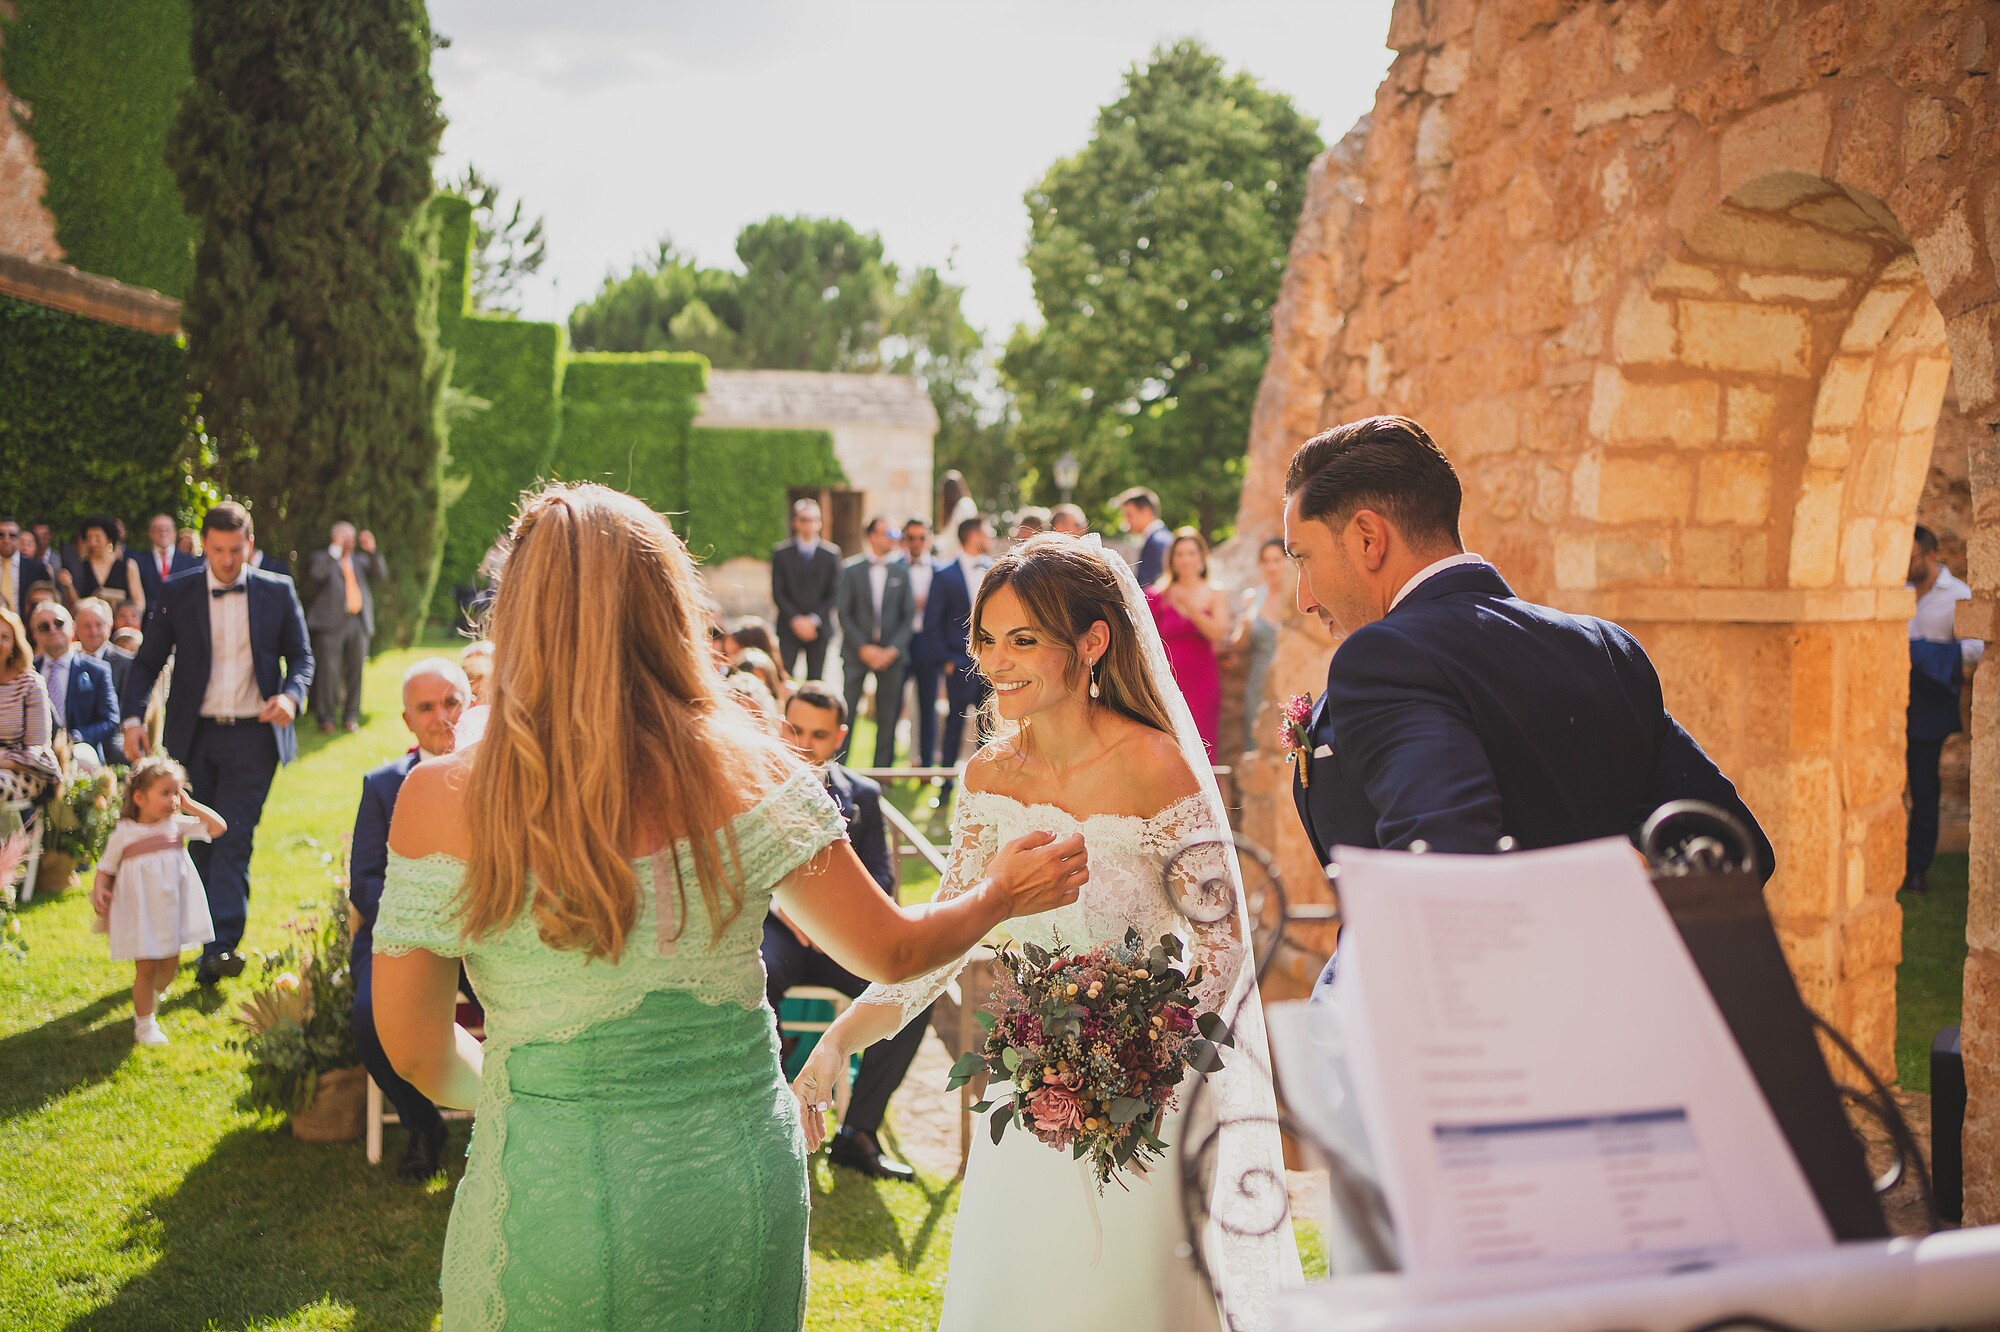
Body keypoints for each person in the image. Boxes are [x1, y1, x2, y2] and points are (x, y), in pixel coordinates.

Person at [366, 482, 1088, 1329]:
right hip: (733, 1187)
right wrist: (997, 893)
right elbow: (889, 951)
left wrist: (520, 1092)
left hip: (550, 1190)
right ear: (669, 604)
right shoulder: (748, 768)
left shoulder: (438, 797)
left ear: (517, 611)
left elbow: (414, 1048)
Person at [797, 533, 1300, 1332]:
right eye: (987, 640)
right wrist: (837, 1042)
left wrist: (1135, 1043)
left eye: (1023, 640)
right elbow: (942, 941)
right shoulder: (989, 777)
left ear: (1092, 642)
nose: (998, 661)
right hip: (1025, 1097)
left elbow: (1222, 943)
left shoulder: (1155, 766)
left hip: (1145, 1101)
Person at [1281, 415, 1775, 934]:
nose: (1304, 599)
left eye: (1303, 559)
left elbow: (1451, 882)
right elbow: (1733, 851)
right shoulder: (1604, 646)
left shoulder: (1383, 657)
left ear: (1367, 538)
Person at [121, 501, 314, 988]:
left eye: (236, 550)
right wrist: (130, 720)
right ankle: (202, 934)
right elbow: (146, 662)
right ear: (204, 545)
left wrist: (291, 697)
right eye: (218, 550)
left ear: (249, 545)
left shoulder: (277, 590)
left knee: (232, 836)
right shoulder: (178, 591)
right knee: (197, 842)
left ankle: (221, 945)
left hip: (254, 734)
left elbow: (303, 657)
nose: (227, 560)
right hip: (193, 736)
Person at [762, 683, 931, 1179]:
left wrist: (833, 918)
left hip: (839, 942)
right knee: (753, 977)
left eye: (818, 734)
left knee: (913, 992)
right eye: (795, 730)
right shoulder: (757, 785)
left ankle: (858, 1133)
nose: (804, 743)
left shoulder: (864, 796)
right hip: (779, 931)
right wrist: (791, 909)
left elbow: (881, 880)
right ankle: (768, 1121)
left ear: (839, 737)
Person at [349, 658, 475, 1180]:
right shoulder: (383, 785)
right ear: (407, 720)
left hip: (488, 937)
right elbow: (365, 879)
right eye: (426, 707)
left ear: (469, 707)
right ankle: (422, 1123)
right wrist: (424, 923)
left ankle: (510, 1114)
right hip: (403, 937)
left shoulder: (501, 775)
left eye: (451, 702)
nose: (442, 716)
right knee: (367, 1014)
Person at [89, 756, 224, 1046]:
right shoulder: (125, 832)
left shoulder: (176, 825)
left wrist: (189, 806)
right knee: (146, 967)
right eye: (165, 793)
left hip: (171, 911)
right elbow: (105, 868)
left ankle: (150, 996)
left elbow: (218, 828)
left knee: (170, 968)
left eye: (176, 793)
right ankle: (145, 1024)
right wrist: (100, 890)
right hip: (140, 912)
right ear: (139, 798)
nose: (173, 800)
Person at [1903, 524, 1983, 895]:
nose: (1905, 565)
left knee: (1923, 787)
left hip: (1928, 704)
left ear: (1931, 555)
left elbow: (1976, 648)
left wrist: (1927, 654)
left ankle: (1917, 868)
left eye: (1911, 557)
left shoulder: (1958, 595)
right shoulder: (1894, 589)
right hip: (1888, 701)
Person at [1145, 528, 1231, 763]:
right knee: (1170, 744)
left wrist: (1191, 607)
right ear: (1172, 558)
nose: (1185, 559)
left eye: (1191, 553)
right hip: (1168, 681)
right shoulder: (1157, 594)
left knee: (1203, 745)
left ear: (1201, 556)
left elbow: (1217, 632)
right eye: (1180, 554)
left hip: (1203, 681)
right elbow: (1146, 641)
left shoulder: (1215, 592)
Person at [835, 517, 915, 767]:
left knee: (888, 715)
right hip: (856, 653)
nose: (892, 537)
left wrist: (892, 650)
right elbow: (843, 613)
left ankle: (883, 773)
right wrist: (863, 647)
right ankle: (839, 767)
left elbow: (908, 615)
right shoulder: (851, 570)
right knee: (846, 711)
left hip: (891, 656)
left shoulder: (902, 572)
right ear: (872, 536)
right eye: (887, 532)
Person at [926, 515, 994, 773]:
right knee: (954, 723)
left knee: (987, 724)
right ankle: (944, 782)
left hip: (990, 662)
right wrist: (946, 659)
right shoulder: (945, 574)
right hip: (958, 661)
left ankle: (985, 783)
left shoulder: (993, 571)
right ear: (974, 536)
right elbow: (933, 621)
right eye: (986, 532)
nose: (990, 537)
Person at [305, 522, 387, 734]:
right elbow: (316, 576)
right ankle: (326, 717)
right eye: (343, 536)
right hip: (330, 624)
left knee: (356, 671)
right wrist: (335, 550)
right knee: (328, 673)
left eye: (351, 536)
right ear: (334, 537)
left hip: (358, 622)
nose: (348, 540)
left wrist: (372, 551)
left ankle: (351, 716)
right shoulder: (322, 559)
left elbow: (381, 575)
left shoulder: (360, 561)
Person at [30, 602, 120, 761]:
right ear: (35, 635)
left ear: (72, 628)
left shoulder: (97, 670)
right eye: (44, 626)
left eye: (58, 623)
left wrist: (76, 737)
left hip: (81, 754)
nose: (52, 630)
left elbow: (110, 721)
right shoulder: (28, 672)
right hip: (36, 754)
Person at [770, 498, 841, 682]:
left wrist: (812, 620)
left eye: (813, 519)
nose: (809, 524)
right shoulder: (781, 553)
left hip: (819, 628)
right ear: (795, 522)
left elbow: (834, 593)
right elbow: (778, 592)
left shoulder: (831, 554)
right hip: (789, 626)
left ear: (819, 523)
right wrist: (796, 620)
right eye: (804, 519)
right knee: (785, 678)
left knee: (816, 682)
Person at [1236, 539, 1291, 756]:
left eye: (1277, 560)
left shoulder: (1297, 597)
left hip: (1289, 680)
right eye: (1266, 561)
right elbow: (1238, 646)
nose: (1272, 566)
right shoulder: (1254, 598)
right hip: (1259, 684)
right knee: (1258, 747)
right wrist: (1244, 626)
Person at [0, 607, 59, 806]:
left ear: (14, 644)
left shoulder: (30, 683)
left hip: (24, 771)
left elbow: (38, 748)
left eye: (5, 637)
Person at [901, 519, 945, 768]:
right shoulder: (896, 567)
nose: (916, 543)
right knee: (895, 704)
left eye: (921, 537)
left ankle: (927, 764)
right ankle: (886, 767)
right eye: (911, 537)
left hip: (928, 644)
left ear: (929, 538)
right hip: (901, 642)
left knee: (929, 707)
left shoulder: (940, 571)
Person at [60, 515, 146, 616]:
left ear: (108, 539)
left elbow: (139, 603)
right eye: (88, 538)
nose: (92, 543)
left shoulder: (128, 565)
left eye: (97, 538)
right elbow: (76, 604)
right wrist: (69, 586)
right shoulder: (81, 566)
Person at [136, 513, 201, 606]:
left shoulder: (191, 562)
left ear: (175, 533)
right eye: (159, 530)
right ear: (150, 533)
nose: (163, 533)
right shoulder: (138, 561)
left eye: (167, 530)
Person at [73, 597, 133, 697]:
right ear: (75, 629)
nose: (93, 631)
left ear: (110, 625)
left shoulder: (127, 663)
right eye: (87, 625)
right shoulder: (68, 661)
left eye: (99, 625)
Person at [1, 516, 54, 624]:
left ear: (19, 539)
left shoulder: (37, 568)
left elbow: (49, 601)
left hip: (28, 629)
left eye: (12, 535)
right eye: (1, 535)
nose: (6, 539)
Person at [1117, 486, 1172, 586]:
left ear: (1146, 512)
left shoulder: (1156, 542)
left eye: (1129, 515)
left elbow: (1148, 586)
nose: (1126, 521)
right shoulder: (1162, 537)